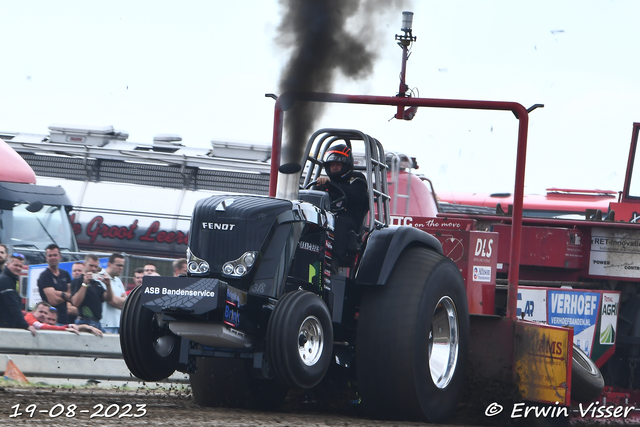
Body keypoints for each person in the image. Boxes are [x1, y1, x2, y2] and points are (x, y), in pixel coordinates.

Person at [313, 144, 369, 269]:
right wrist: (320, 186)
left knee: (338, 221)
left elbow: (356, 196)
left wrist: (330, 184)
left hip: (349, 222)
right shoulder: (323, 182)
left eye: (338, 163)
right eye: (332, 163)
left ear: (346, 164)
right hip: (325, 218)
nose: (334, 166)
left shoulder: (357, 180)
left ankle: (333, 262)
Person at [71, 254, 112, 333]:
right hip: (84, 321)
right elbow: (75, 302)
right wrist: (85, 284)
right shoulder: (78, 280)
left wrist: (108, 285)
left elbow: (108, 298)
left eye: (95, 266)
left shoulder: (97, 283)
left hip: (97, 322)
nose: (93, 269)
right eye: (91, 265)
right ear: (84, 265)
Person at [0, 253, 37, 335]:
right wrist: (26, 325)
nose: (18, 268)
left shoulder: (11, 279)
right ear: (8, 264)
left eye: (20, 266)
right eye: (16, 265)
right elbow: (12, 305)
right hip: (4, 327)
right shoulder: (5, 280)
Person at [37, 244, 73, 324]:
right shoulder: (44, 276)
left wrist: (59, 293)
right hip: (50, 321)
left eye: (55, 255)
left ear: (60, 256)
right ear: (46, 258)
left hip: (65, 320)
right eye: (50, 255)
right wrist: (65, 295)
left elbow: (72, 297)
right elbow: (53, 301)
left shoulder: (65, 274)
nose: (52, 258)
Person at [98, 253, 127, 334]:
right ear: (109, 264)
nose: (121, 268)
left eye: (122, 266)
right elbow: (112, 300)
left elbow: (125, 302)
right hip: (105, 324)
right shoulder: (101, 277)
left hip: (118, 323)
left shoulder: (118, 280)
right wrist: (122, 301)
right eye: (118, 265)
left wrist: (121, 301)